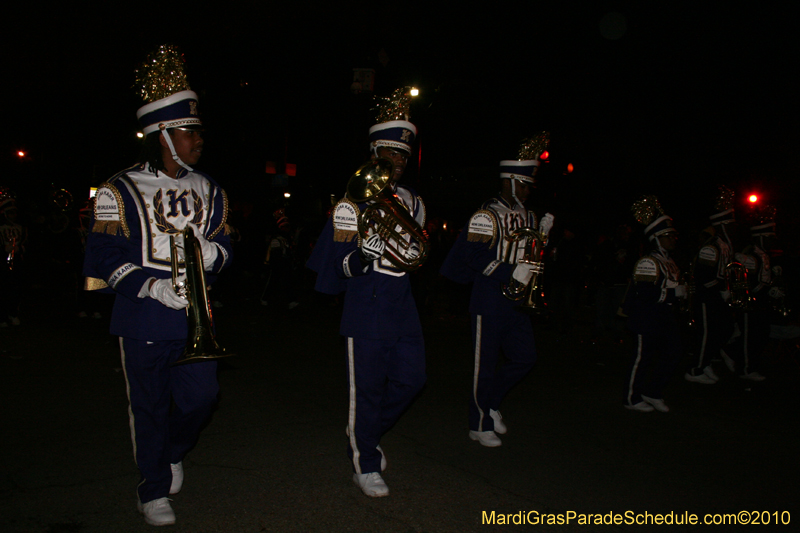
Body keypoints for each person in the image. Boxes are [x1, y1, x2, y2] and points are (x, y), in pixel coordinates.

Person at [83, 45, 233, 527]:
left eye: (197, 130)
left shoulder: (209, 188)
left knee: (202, 398)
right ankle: (152, 489)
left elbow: (228, 243)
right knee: (146, 406)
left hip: (196, 316)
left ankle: (171, 452)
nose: (198, 139)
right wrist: (151, 287)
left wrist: (217, 254)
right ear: (163, 134)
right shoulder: (118, 189)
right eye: (190, 131)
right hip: (144, 315)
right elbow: (102, 259)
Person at [306, 88, 427, 498]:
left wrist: (412, 250)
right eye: (389, 155)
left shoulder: (414, 201)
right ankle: (365, 461)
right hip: (366, 305)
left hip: (403, 305)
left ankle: (367, 433)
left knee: (413, 380)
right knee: (368, 388)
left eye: (403, 156)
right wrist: (361, 255)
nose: (396, 164)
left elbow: (416, 255)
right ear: (375, 153)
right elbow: (335, 269)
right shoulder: (350, 203)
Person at [440, 134, 554, 447]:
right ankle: (478, 424)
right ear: (510, 182)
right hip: (489, 298)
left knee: (525, 358)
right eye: (525, 184)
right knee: (485, 365)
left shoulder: (529, 215)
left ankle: (490, 404)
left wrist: (541, 239)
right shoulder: (485, 215)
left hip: (517, 301)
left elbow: (528, 255)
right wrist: (508, 272)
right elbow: (472, 257)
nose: (529, 191)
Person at [623, 196, 687, 412]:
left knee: (674, 353)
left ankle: (652, 391)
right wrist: (672, 293)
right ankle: (632, 397)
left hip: (665, 317)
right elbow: (645, 295)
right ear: (658, 238)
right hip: (647, 316)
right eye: (668, 236)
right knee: (643, 358)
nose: (673, 239)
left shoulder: (669, 260)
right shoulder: (649, 262)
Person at [685, 185, 736, 384]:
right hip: (707, 297)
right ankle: (696, 368)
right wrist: (722, 289)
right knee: (707, 333)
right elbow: (704, 277)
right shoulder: (712, 247)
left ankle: (705, 362)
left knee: (724, 329)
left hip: (717, 296)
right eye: (729, 224)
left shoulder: (724, 246)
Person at [724, 204, 779, 381]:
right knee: (750, 335)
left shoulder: (764, 254)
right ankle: (746, 368)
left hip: (760, 299)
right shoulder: (749, 254)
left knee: (761, 333)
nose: (773, 240)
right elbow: (744, 280)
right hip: (750, 300)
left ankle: (736, 355)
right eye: (769, 237)